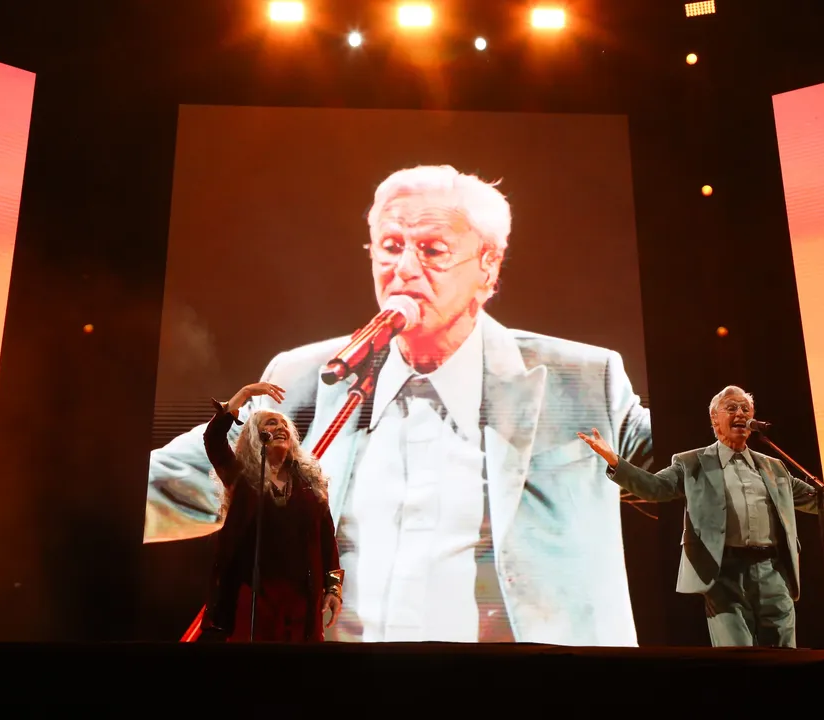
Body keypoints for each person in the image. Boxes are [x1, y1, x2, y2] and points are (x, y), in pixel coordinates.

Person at [145, 164, 653, 646]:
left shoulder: (584, 380)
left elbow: (686, 471)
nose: (403, 269)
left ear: (488, 265)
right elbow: (165, 486)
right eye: (390, 247)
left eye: (432, 250)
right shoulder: (306, 379)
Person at [578, 384, 824, 648]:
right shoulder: (692, 463)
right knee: (738, 661)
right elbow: (654, 488)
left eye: (746, 409)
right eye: (731, 408)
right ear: (714, 419)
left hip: (772, 573)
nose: (740, 413)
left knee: (784, 658)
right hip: (723, 576)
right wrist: (615, 461)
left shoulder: (773, 467)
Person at [197, 380, 343, 642]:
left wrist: (333, 587)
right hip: (254, 594)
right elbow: (214, 440)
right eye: (271, 424)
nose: (280, 428)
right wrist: (243, 395)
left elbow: (326, 539)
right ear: (256, 436)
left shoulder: (310, 484)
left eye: (284, 424)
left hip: (301, 597)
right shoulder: (243, 478)